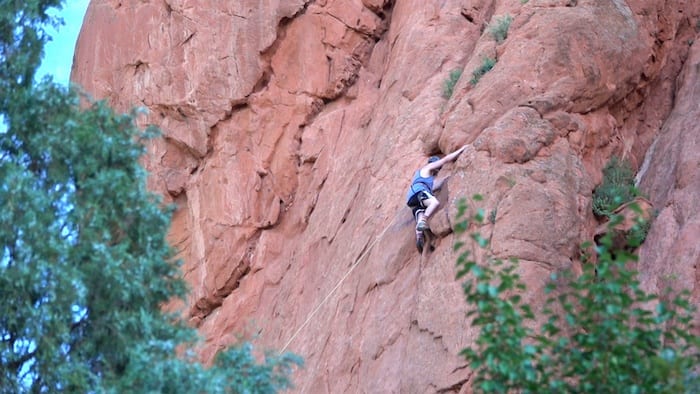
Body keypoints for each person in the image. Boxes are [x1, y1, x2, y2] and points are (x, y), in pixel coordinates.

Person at [406, 145, 467, 242]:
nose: (437, 171)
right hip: (419, 193)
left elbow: (435, 186)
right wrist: (462, 149)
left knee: (420, 209)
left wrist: (449, 176)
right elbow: (445, 159)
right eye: (437, 168)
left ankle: (419, 235)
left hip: (412, 198)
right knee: (434, 203)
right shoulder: (428, 167)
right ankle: (423, 220)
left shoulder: (423, 176)